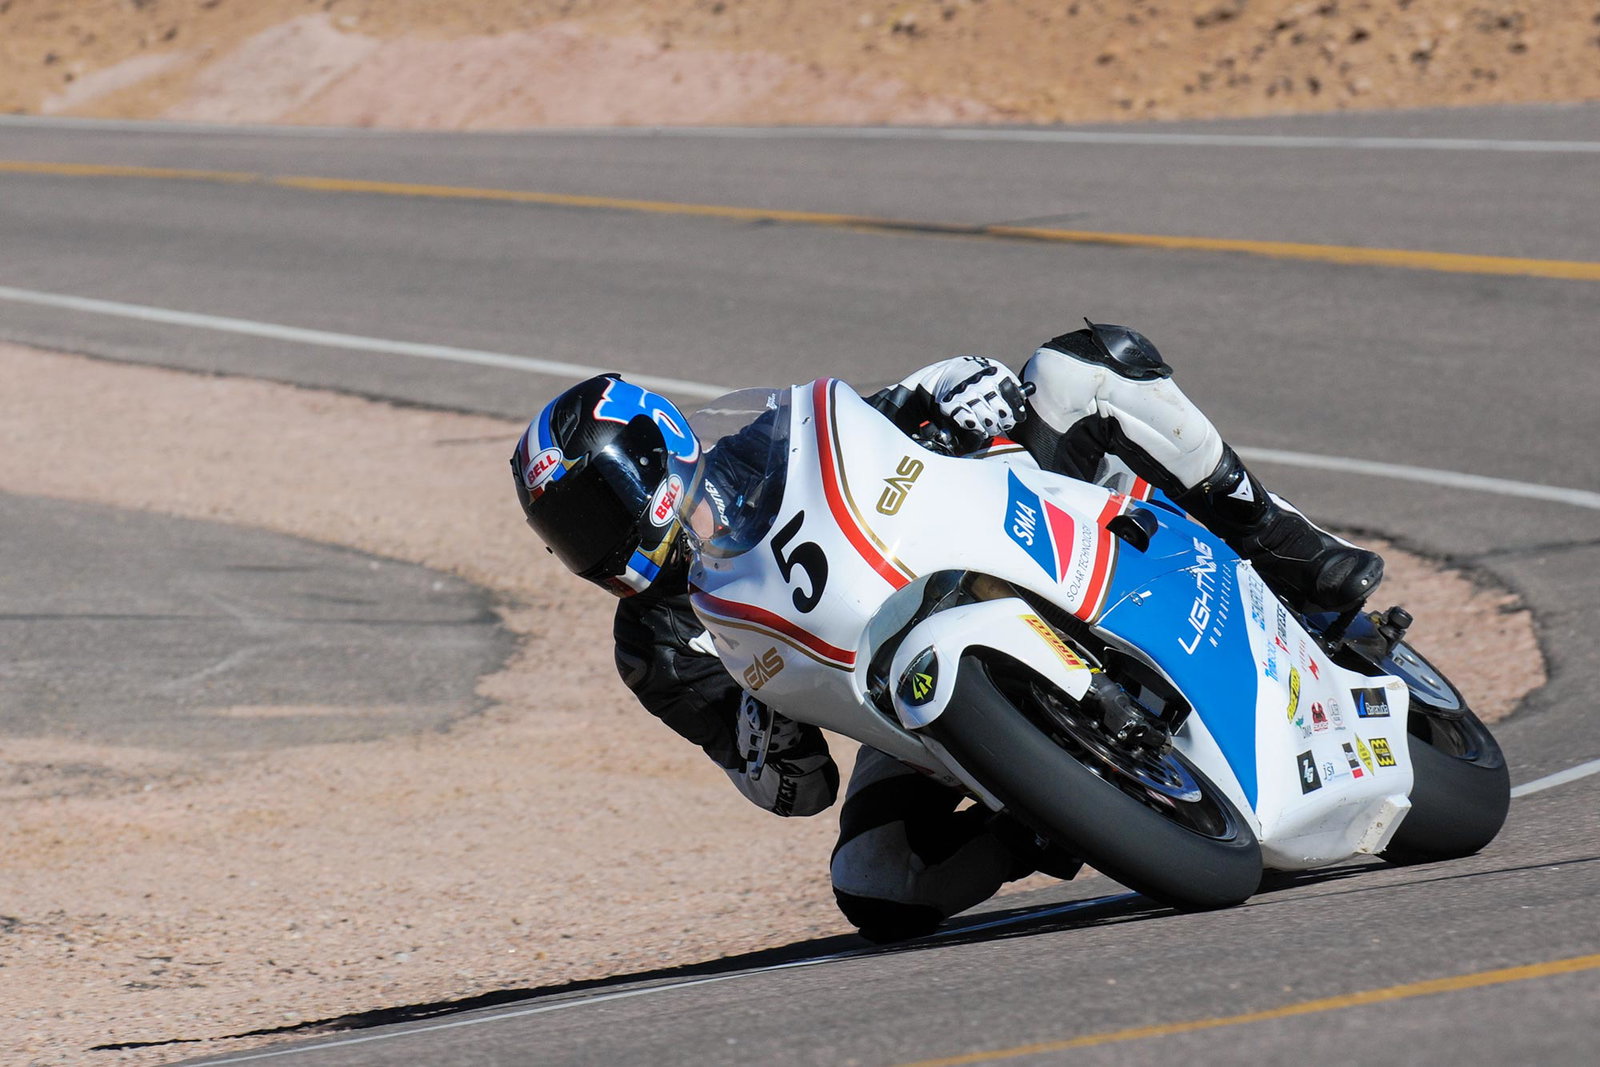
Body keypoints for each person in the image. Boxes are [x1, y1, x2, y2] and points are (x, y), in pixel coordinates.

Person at [510, 321, 1383, 942]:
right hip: (909, 697)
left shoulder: (760, 446)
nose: (594, 542)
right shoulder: (654, 646)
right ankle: (1055, 812)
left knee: (1083, 366)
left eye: (596, 508)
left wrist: (945, 389)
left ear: (653, 450)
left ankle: (1283, 541)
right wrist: (756, 733)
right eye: (569, 535)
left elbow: (888, 417)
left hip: (996, 531)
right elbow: (795, 789)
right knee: (876, 885)